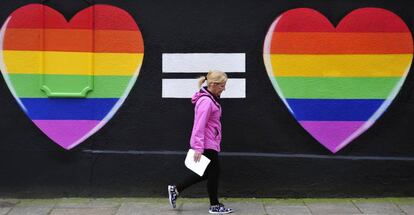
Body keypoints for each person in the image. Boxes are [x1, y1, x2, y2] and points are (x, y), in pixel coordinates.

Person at [168, 70, 233, 214]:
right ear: (214, 85)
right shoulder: (206, 101)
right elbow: (199, 125)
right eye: (222, 86)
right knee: (214, 172)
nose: (224, 89)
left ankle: (176, 189)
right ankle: (214, 206)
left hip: (210, 140)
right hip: (207, 143)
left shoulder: (211, 99)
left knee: (207, 173)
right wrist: (198, 147)